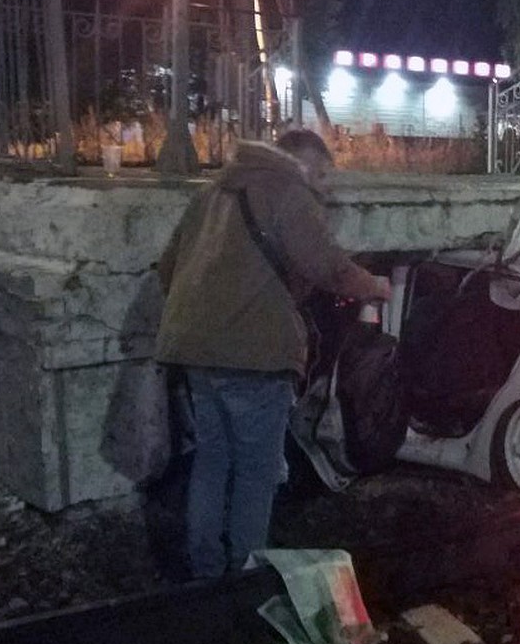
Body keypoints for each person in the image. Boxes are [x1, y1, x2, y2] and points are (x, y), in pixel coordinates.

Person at [155, 130, 390, 579]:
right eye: (321, 174)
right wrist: (375, 286)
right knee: (256, 470)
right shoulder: (287, 189)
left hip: (193, 350)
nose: (323, 187)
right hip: (253, 357)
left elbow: (169, 268)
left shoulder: (213, 192)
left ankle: (203, 568)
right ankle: (245, 570)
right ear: (301, 162)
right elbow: (330, 267)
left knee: (211, 459)